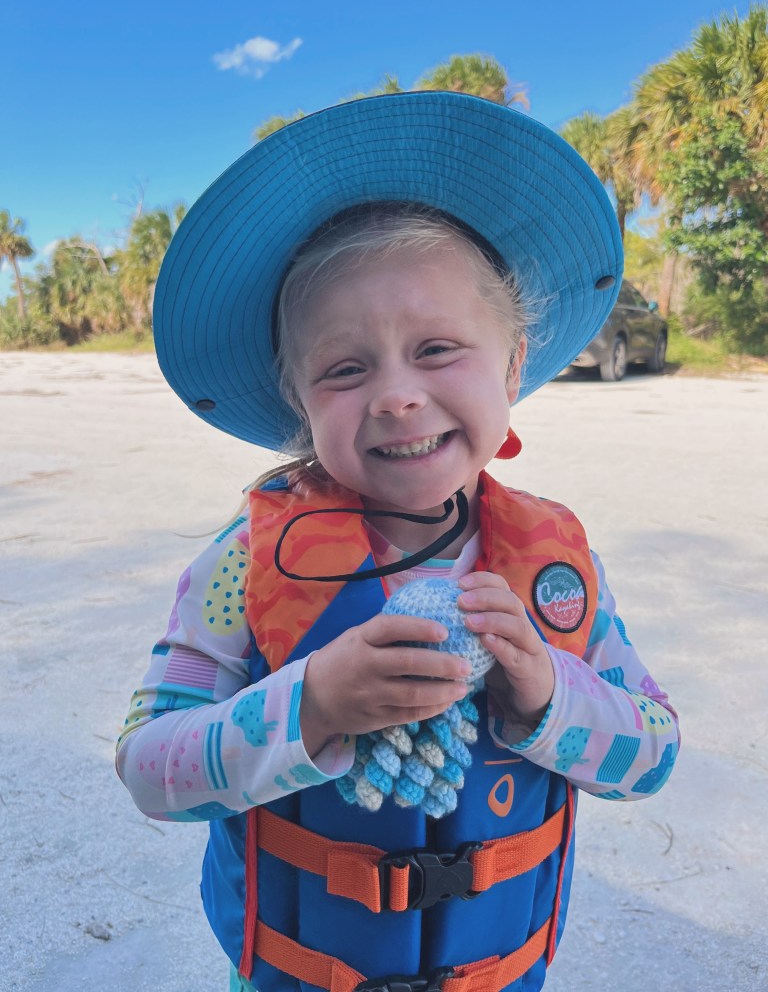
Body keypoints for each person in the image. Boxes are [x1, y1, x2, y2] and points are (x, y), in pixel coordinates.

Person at [117, 91, 680, 992]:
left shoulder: (556, 572)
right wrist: (314, 703)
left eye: (438, 348)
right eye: (345, 368)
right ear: (298, 399)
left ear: (514, 359)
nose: (396, 395)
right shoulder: (245, 562)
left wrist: (545, 691)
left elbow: (651, 755)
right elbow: (149, 768)